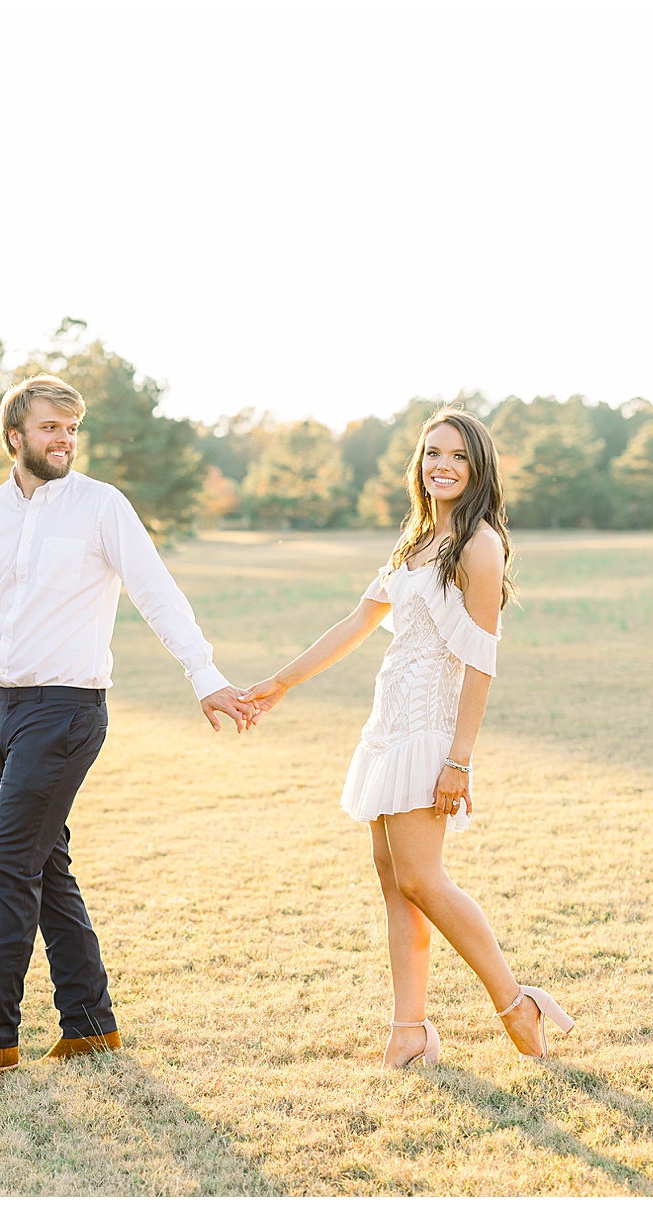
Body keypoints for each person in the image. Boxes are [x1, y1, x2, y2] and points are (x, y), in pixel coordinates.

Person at [0, 373, 256, 1084]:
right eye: (50, 428)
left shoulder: (102, 506)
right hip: (6, 712)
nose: (64, 439)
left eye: (71, 428)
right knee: (45, 865)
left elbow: (156, 591)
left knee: (9, 864)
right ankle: (91, 1025)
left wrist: (205, 674)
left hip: (70, 713)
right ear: (16, 436)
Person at [240, 408, 573, 1068]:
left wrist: (460, 758)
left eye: (456, 455)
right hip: (388, 724)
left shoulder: (478, 544)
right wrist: (280, 683)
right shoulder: (415, 538)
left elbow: (481, 660)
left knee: (423, 878)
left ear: (476, 468)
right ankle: (410, 1029)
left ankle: (516, 1001)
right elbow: (359, 620)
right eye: (431, 453)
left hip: (432, 729)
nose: (441, 465)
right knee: (394, 879)